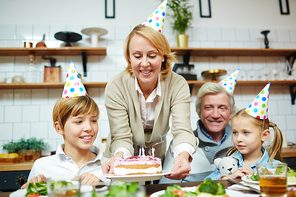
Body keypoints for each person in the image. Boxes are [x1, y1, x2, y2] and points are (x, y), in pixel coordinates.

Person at [101, 0, 198, 181]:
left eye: (152, 55)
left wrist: (183, 155)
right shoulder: (116, 87)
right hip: (120, 158)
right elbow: (121, 136)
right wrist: (119, 158)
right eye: (137, 56)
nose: (144, 63)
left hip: (156, 159)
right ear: (129, 58)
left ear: (163, 56)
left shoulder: (178, 84)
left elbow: (182, 130)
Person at [21, 61, 108, 189]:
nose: (89, 128)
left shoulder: (109, 167)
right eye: (79, 121)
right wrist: (29, 191)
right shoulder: (42, 167)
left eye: (93, 120)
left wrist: (103, 184)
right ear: (59, 128)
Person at [160, 80, 237, 183]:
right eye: (208, 107)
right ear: (199, 111)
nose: (215, 115)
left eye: (222, 108)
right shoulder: (180, 146)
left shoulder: (241, 143)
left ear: (231, 113)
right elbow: (167, 188)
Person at [205, 83, 283, 180]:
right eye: (235, 132)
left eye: (246, 132)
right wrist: (228, 178)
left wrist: (254, 178)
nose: (238, 139)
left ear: (264, 135)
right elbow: (207, 182)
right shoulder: (228, 162)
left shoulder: (276, 168)